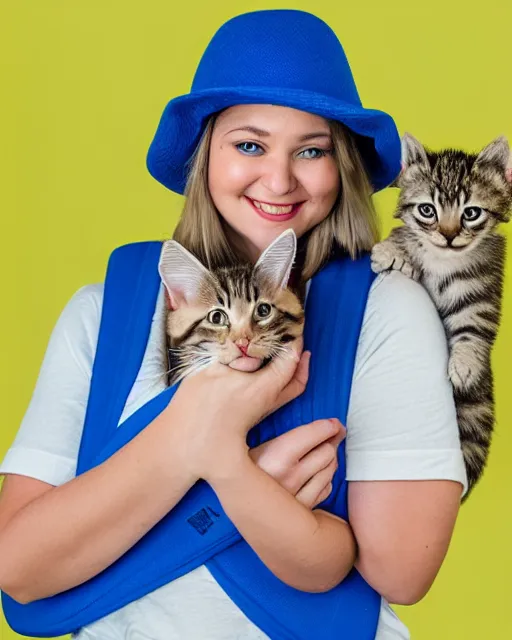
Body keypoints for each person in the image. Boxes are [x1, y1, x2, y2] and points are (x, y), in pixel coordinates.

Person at [0, 8, 467, 640]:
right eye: (249, 144)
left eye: (312, 150)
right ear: (203, 155)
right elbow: (19, 569)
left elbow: (401, 572)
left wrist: (201, 481)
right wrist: (204, 437)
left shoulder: (385, 311)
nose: (279, 179)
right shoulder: (101, 314)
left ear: (343, 167)